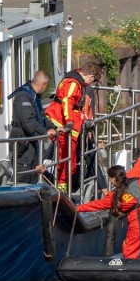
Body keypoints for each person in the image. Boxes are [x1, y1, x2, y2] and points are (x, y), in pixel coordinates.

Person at [77, 165, 140, 259]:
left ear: (113, 178)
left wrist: (77, 208)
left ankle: (129, 275)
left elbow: (98, 205)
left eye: (110, 179)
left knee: (130, 254)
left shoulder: (115, 194)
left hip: (138, 223)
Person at [44, 60, 100, 193]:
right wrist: (69, 121)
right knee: (65, 158)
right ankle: (62, 191)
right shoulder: (74, 83)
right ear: (91, 76)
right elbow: (67, 102)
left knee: (70, 159)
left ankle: (64, 189)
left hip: (71, 122)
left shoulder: (76, 81)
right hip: (63, 122)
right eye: (93, 80)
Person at [8, 70, 56, 174]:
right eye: (46, 86)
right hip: (23, 143)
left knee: (34, 173)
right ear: (43, 85)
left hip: (32, 145)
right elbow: (28, 123)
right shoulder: (23, 96)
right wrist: (45, 132)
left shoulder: (34, 97)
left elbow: (42, 118)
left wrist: (54, 128)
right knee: (24, 176)